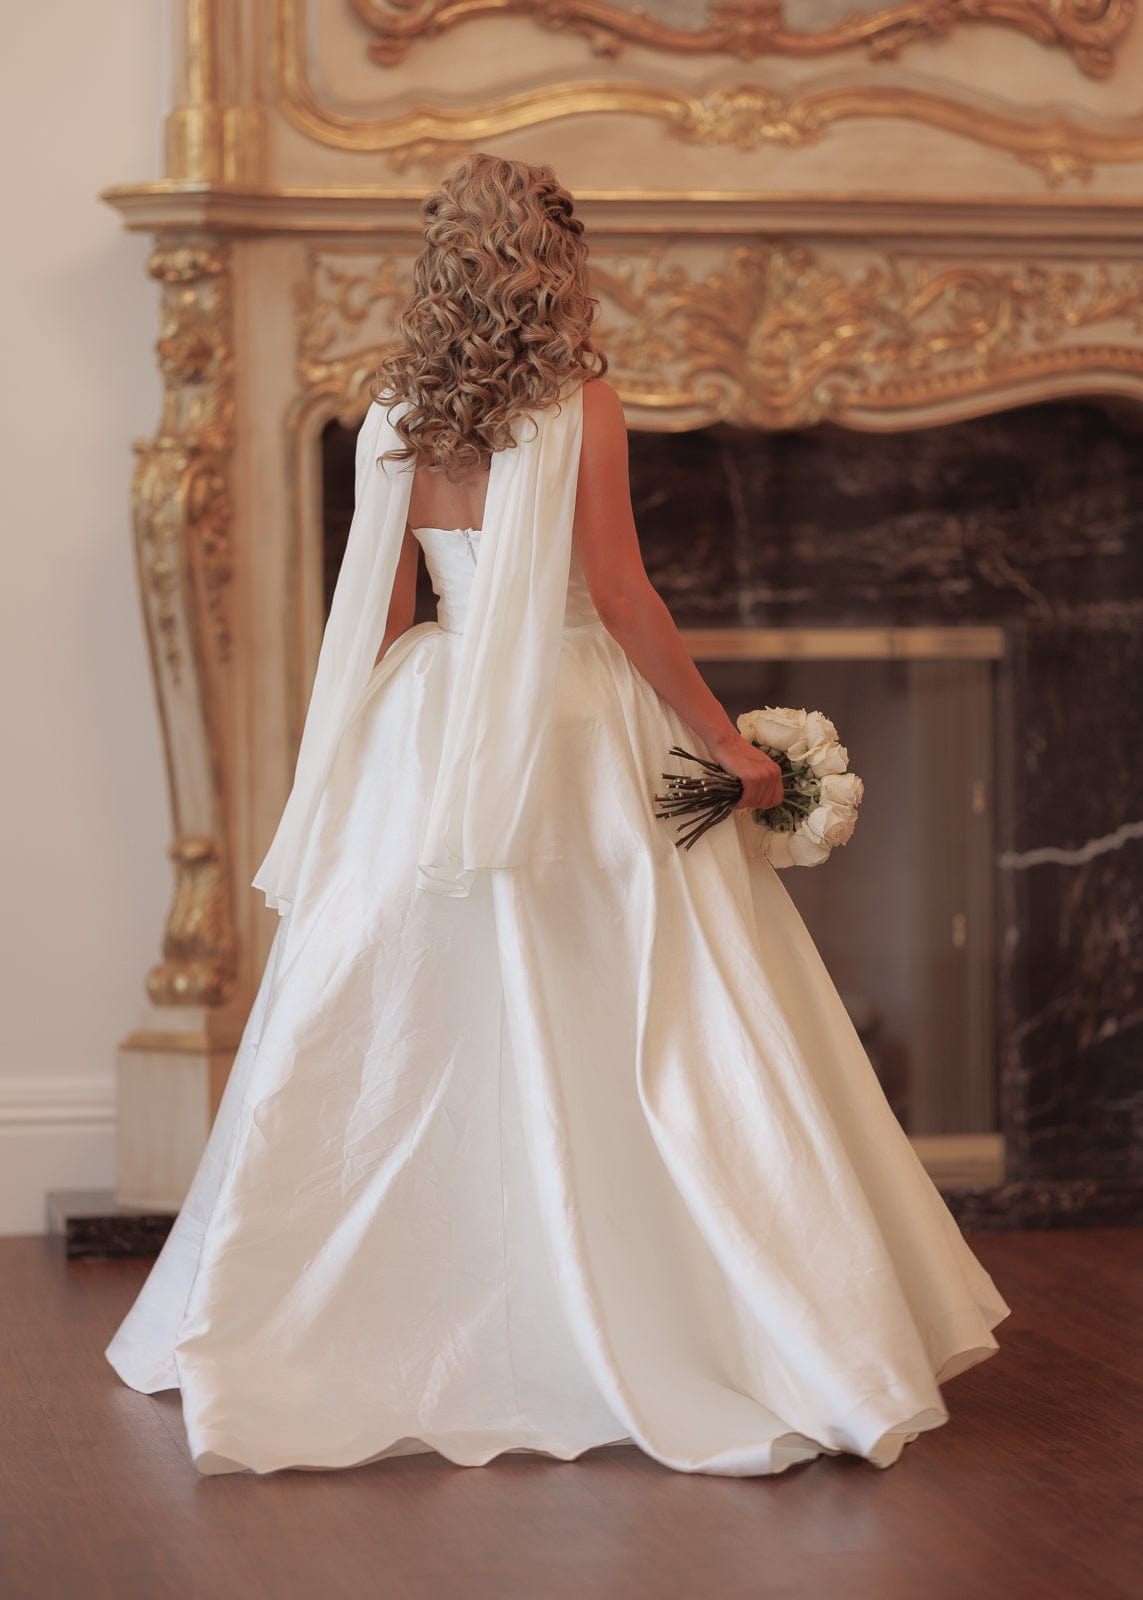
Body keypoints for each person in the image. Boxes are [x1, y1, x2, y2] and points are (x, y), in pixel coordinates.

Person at [105, 154, 1010, 1478]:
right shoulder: (580, 400)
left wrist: (369, 767)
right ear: (553, 266)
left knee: (405, 1003)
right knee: (640, 1000)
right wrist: (724, 741)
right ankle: (684, 1308)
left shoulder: (393, 411)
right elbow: (621, 596)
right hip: (569, 718)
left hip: (425, 718)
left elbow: (388, 614)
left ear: (442, 268)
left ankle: (338, 1314)